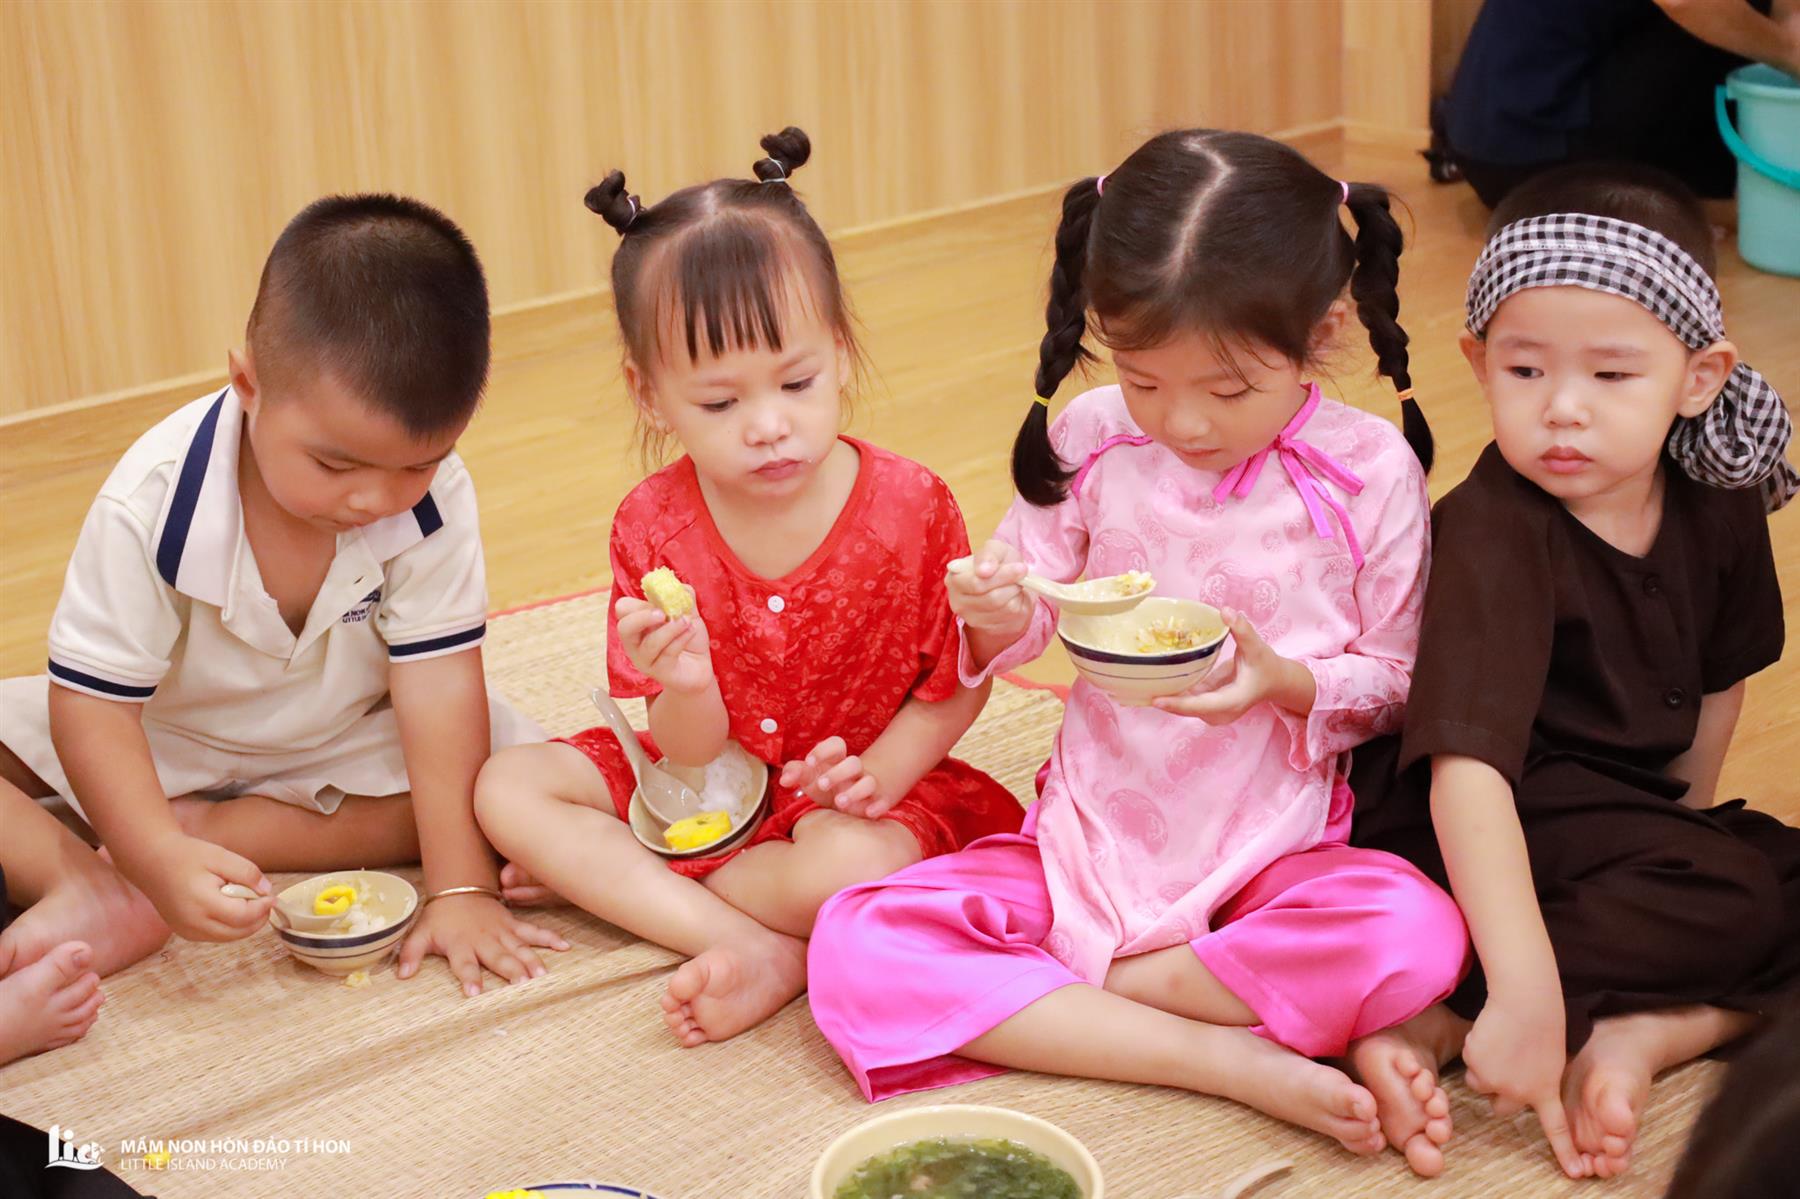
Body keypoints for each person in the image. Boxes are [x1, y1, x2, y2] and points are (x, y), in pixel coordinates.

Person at [807, 128, 1470, 1176]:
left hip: (1270, 855)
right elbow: (1028, 612)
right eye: (1143, 379)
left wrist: (1282, 680)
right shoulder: (1092, 436)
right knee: (856, 946)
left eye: (1227, 388)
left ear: (1324, 329)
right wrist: (990, 609)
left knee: (1414, 932)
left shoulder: (1368, 471)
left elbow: (1397, 680)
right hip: (1087, 837)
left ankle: (1077, 996)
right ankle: (1228, 1056)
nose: (1183, 422)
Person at [473, 129, 1024, 1047]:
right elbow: (687, 753)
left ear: (839, 351)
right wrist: (686, 684)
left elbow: (958, 681)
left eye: (798, 382)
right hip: (702, 782)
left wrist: (878, 775)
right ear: (649, 394)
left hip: (856, 796)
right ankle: (755, 944)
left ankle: (635, 880)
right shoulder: (652, 523)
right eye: (720, 403)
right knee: (508, 788)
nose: (769, 426)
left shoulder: (911, 505)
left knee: (846, 872)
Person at [1352, 161, 1800, 1180]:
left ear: (1699, 376)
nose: (1562, 410)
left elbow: (1719, 684)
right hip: (1473, 816)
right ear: (1478, 362)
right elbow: (1468, 773)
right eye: (1525, 371)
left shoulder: (1720, 492)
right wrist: (1521, 983)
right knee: (1730, 897)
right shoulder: (1494, 527)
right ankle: (1459, 1007)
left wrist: (1682, 836)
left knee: (1746, 881)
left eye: (1611, 376)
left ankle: (1647, 1030)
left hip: (1613, 817)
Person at [0, 194, 564, 1001]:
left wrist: (462, 888)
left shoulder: (438, 497)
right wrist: (154, 855)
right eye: (335, 465)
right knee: (64, 737)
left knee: (515, 789)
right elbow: (93, 710)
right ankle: (92, 883)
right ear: (247, 382)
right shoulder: (150, 500)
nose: (374, 499)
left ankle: (220, 828)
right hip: (164, 736)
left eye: (418, 464)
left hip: (346, 738)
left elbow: (439, 686)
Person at [1441, 0, 1799, 206]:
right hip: (1536, 152)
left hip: (1489, 140)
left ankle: (1699, 196)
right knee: (1731, 16)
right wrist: (1789, 53)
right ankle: (1711, 198)